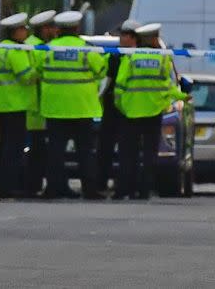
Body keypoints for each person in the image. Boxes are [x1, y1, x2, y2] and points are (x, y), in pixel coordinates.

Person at [39, 11, 108, 200]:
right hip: (82, 108)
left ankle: (53, 188)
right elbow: (102, 71)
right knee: (85, 152)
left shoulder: (46, 49)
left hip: (55, 108)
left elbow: (38, 70)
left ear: (59, 29)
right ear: (77, 28)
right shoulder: (87, 49)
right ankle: (90, 190)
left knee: (55, 151)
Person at [114, 23, 187, 200]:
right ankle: (144, 191)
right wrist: (183, 96)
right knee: (149, 155)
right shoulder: (163, 58)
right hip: (153, 113)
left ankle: (125, 189)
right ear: (154, 39)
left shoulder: (130, 57)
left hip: (131, 112)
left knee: (128, 155)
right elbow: (168, 87)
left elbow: (120, 85)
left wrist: (121, 106)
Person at [0, 12, 38, 199]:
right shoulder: (16, 52)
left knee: (3, 146)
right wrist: (38, 70)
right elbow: (26, 76)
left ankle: (1, 185)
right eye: (24, 29)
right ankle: (10, 186)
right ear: (16, 32)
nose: (26, 33)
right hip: (15, 104)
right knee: (13, 148)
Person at [97, 19, 141, 195]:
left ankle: (126, 186)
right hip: (111, 108)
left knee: (128, 151)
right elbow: (104, 81)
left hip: (130, 110)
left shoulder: (139, 58)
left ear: (133, 38)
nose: (121, 38)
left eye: (124, 34)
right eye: (121, 34)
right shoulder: (113, 56)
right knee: (105, 149)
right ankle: (101, 184)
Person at [22, 9, 57, 197]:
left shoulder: (38, 45)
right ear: (44, 29)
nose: (55, 30)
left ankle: (33, 185)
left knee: (39, 151)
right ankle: (31, 185)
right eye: (52, 27)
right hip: (34, 109)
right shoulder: (34, 47)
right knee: (34, 151)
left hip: (40, 108)